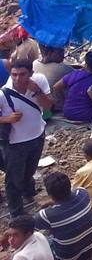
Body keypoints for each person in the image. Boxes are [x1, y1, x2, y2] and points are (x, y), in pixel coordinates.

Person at [0, 60, 53, 216]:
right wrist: (7, 119)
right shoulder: (4, 93)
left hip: (37, 135)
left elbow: (49, 106)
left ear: (30, 74)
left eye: (22, 74)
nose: (17, 79)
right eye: (14, 75)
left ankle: (29, 192)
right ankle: (16, 212)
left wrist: (37, 91)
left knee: (30, 169)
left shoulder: (39, 81)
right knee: (13, 180)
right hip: (15, 142)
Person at [34, 172, 92, 260]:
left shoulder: (46, 215)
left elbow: (30, 226)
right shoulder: (83, 193)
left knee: (40, 238)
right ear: (69, 186)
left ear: (49, 194)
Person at [53, 51, 92, 124]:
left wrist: (63, 102)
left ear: (86, 64)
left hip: (68, 113)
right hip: (89, 115)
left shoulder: (75, 74)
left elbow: (56, 87)